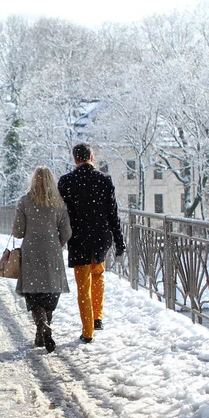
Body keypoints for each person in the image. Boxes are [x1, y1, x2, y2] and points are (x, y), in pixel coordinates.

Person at [58, 143, 125, 344]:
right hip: (100, 238)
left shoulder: (66, 182)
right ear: (92, 157)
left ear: (75, 159)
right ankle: (98, 317)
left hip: (78, 239)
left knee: (83, 285)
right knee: (98, 275)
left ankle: (87, 331)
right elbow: (113, 214)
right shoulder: (104, 180)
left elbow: (61, 215)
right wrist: (119, 242)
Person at [12, 166, 72, 353]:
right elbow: (67, 232)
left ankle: (41, 326)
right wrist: (56, 243)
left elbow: (18, 232)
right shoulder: (59, 204)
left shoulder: (24, 202)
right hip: (52, 252)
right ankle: (45, 326)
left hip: (31, 252)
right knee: (50, 292)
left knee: (34, 293)